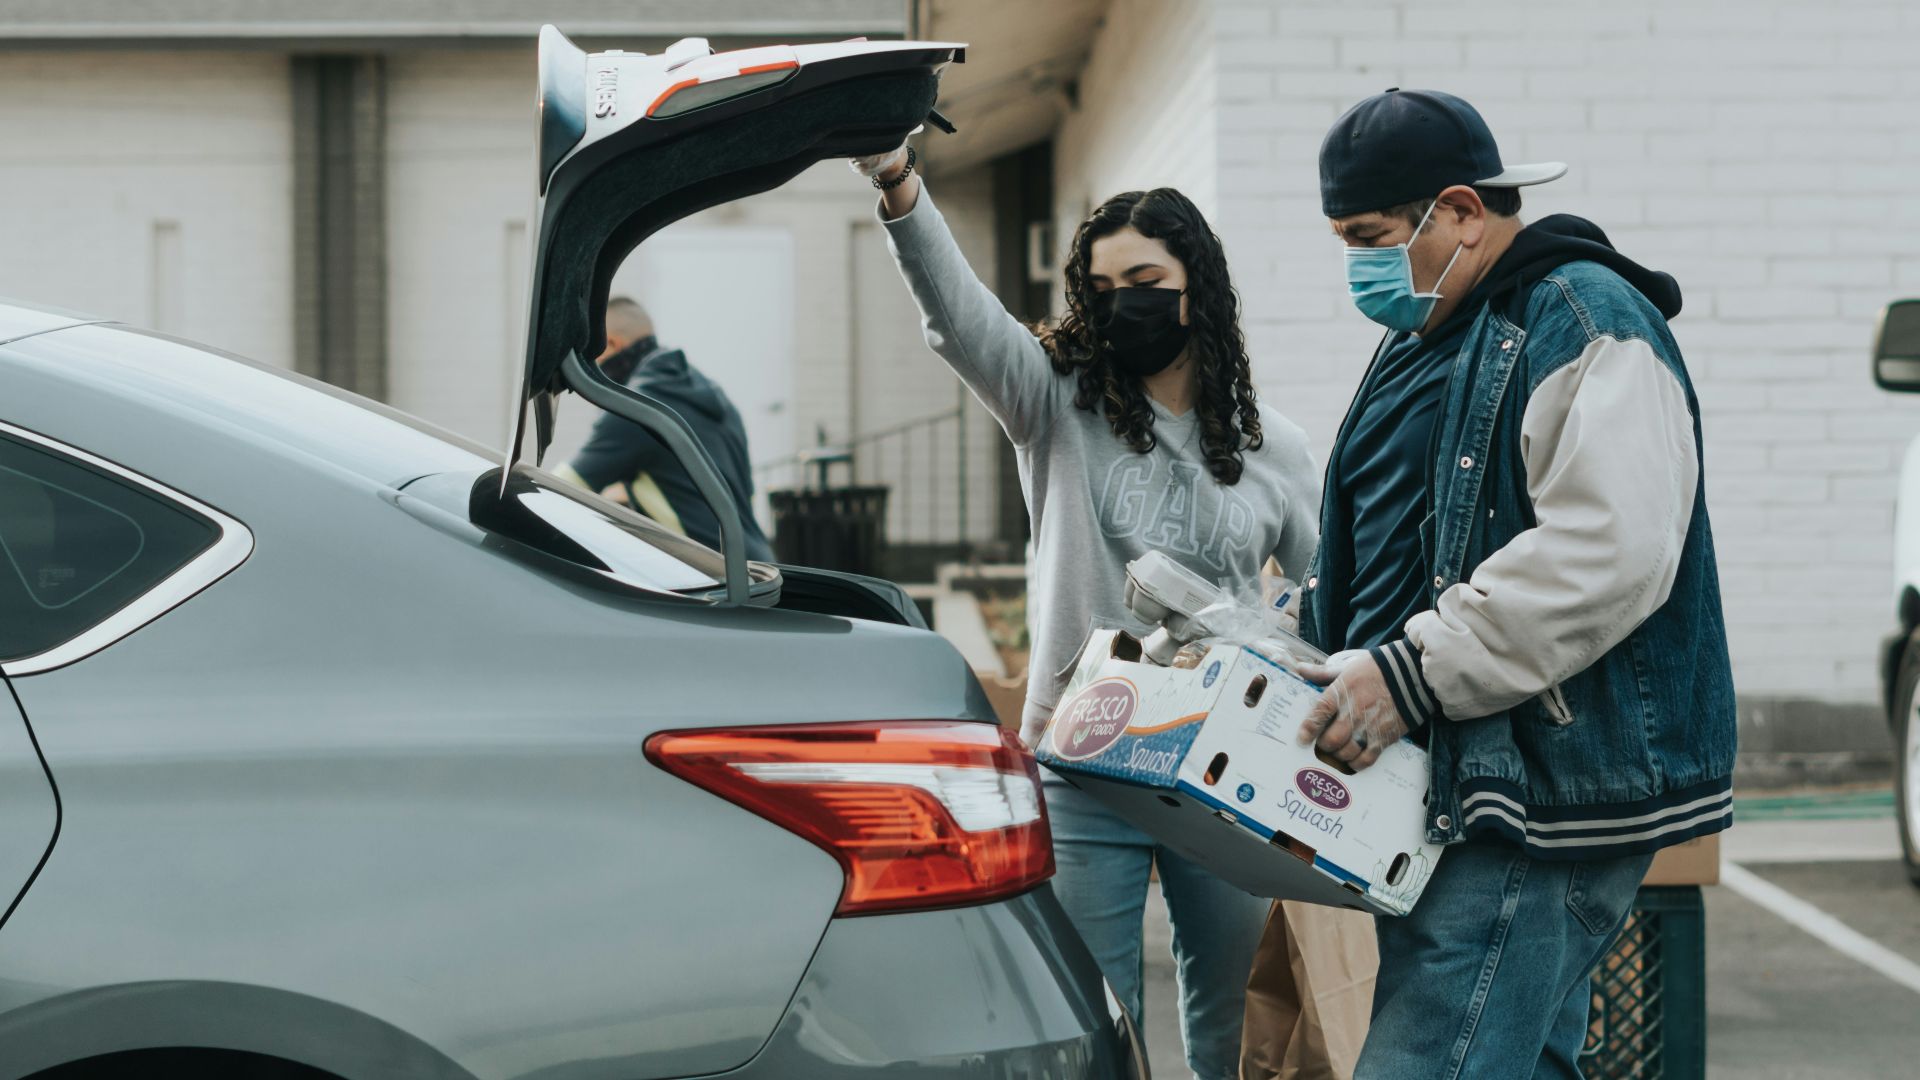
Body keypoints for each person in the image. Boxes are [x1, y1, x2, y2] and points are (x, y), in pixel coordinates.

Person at [850, 142, 1323, 1079]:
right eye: (1104, 288)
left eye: (1146, 279)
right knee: (1089, 1017)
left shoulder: (1278, 448)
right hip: (1085, 755)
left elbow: (1323, 599)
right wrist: (900, 183)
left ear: (1201, 287)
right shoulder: (1056, 401)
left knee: (1233, 1011)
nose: (1124, 304)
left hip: (1223, 765)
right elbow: (959, 320)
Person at [1289, 88, 1736, 1077]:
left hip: (1532, 794)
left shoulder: (1582, 318)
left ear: (1458, 211)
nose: (1357, 266)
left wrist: (1406, 674)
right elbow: (1406, 533)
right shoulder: (1433, 332)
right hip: (1470, 784)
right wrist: (1304, 628)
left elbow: (1610, 552)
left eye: (1368, 236)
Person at [556, 296, 773, 562]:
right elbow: (687, 479)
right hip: (757, 565)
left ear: (611, 343)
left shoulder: (636, 410)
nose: (591, 366)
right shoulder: (709, 393)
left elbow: (558, 490)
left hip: (712, 580)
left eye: (592, 355)